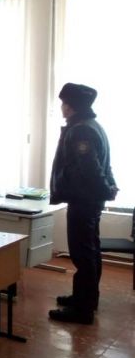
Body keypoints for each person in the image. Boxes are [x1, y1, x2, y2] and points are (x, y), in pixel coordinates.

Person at [49, 83, 118, 325]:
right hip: (90, 200)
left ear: (72, 107)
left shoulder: (81, 130)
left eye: (64, 103)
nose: (61, 107)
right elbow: (104, 166)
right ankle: (86, 298)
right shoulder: (92, 125)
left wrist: (106, 188)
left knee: (82, 254)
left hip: (83, 200)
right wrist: (109, 187)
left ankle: (83, 309)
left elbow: (91, 169)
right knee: (91, 251)